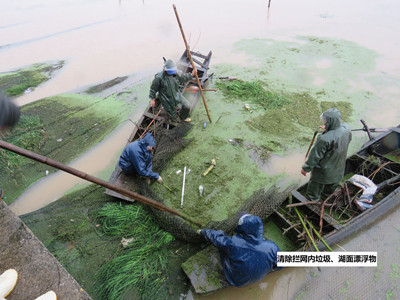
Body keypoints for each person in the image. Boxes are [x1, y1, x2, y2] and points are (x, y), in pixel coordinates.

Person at [198, 214, 281, 287]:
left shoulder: (234, 242)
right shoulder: (272, 247)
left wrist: (203, 231)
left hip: (235, 279)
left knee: (222, 247)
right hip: (257, 279)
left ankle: (227, 274)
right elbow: (283, 263)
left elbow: (216, 238)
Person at [301, 108, 352, 201]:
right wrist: (328, 129)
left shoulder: (324, 139)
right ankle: (327, 197)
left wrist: (305, 168)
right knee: (331, 188)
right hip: (339, 169)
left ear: (330, 121)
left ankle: (313, 200)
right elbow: (343, 129)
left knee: (314, 188)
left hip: (323, 172)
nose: (324, 122)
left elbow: (315, 156)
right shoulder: (347, 130)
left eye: (325, 120)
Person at [149, 59, 196, 125]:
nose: (172, 73)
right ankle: (174, 118)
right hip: (167, 99)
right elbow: (153, 89)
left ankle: (183, 117)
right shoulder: (159, 77)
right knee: (172, 114)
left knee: (187, 106)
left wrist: (191, 74)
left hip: (177, 94)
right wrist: (152, 99)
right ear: (165, 70)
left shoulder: (175, 72)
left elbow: (183, 78)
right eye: (170, 72)